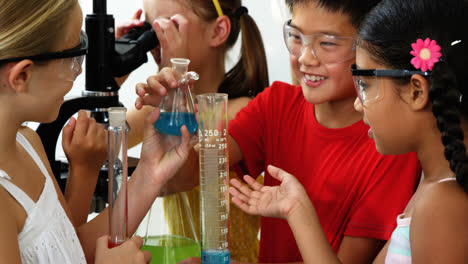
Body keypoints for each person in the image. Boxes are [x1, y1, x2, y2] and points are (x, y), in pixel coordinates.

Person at [137, 0, 424, 263]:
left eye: (326, 43)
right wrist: (172, 118)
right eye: (297, 37)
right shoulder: (276, 105)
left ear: (369, 47)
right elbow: (184, 176)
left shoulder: (390, 143)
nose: (305, 58)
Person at [229, 0, 468, 263]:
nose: (358, 102)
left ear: (416, 91)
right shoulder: (433, 191)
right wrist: (295, 208)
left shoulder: (443, 205)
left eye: (365, 86)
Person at [0, 0, 194, 262]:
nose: (80, 72)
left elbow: (68, 249)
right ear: (21, 76)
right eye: (73, 58)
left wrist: (150, 172)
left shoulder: (27, 144)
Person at [120, 0, 270, 262]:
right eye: (149, 27)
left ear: (218, 31)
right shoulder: (160, 109)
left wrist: (175, 70)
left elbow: (172, 179)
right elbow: (99, 143)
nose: (155, 39)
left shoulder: (241, 111)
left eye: (169, 25)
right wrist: (114, 68)